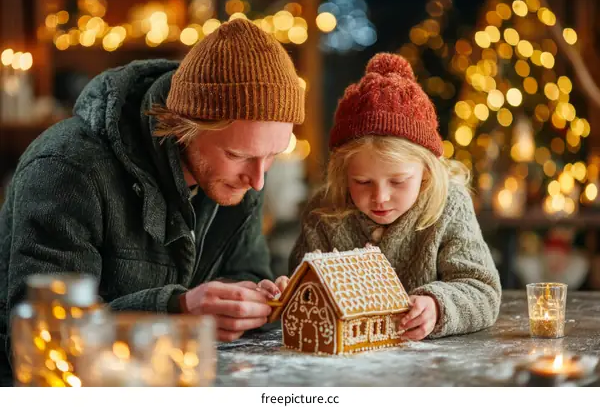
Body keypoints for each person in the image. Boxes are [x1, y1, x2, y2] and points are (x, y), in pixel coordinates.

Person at [0, 19, 302, 384]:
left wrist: (254, 301)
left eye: (273, 155)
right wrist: (176, 309)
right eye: (238, 154)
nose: (258, 180)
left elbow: (246, 271)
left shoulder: (246, 176)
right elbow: (45, 339)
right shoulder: (67, 169)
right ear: (184, 126)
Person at [289, 53, 501, 341]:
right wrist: (291, 294)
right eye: (362, 182)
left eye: (398, 182)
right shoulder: (324, 211)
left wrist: (438, 307)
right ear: (342, 173)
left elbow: (482, 291)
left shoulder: (449, 206)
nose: (380, 198)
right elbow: (302, 289)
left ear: (426, 171)